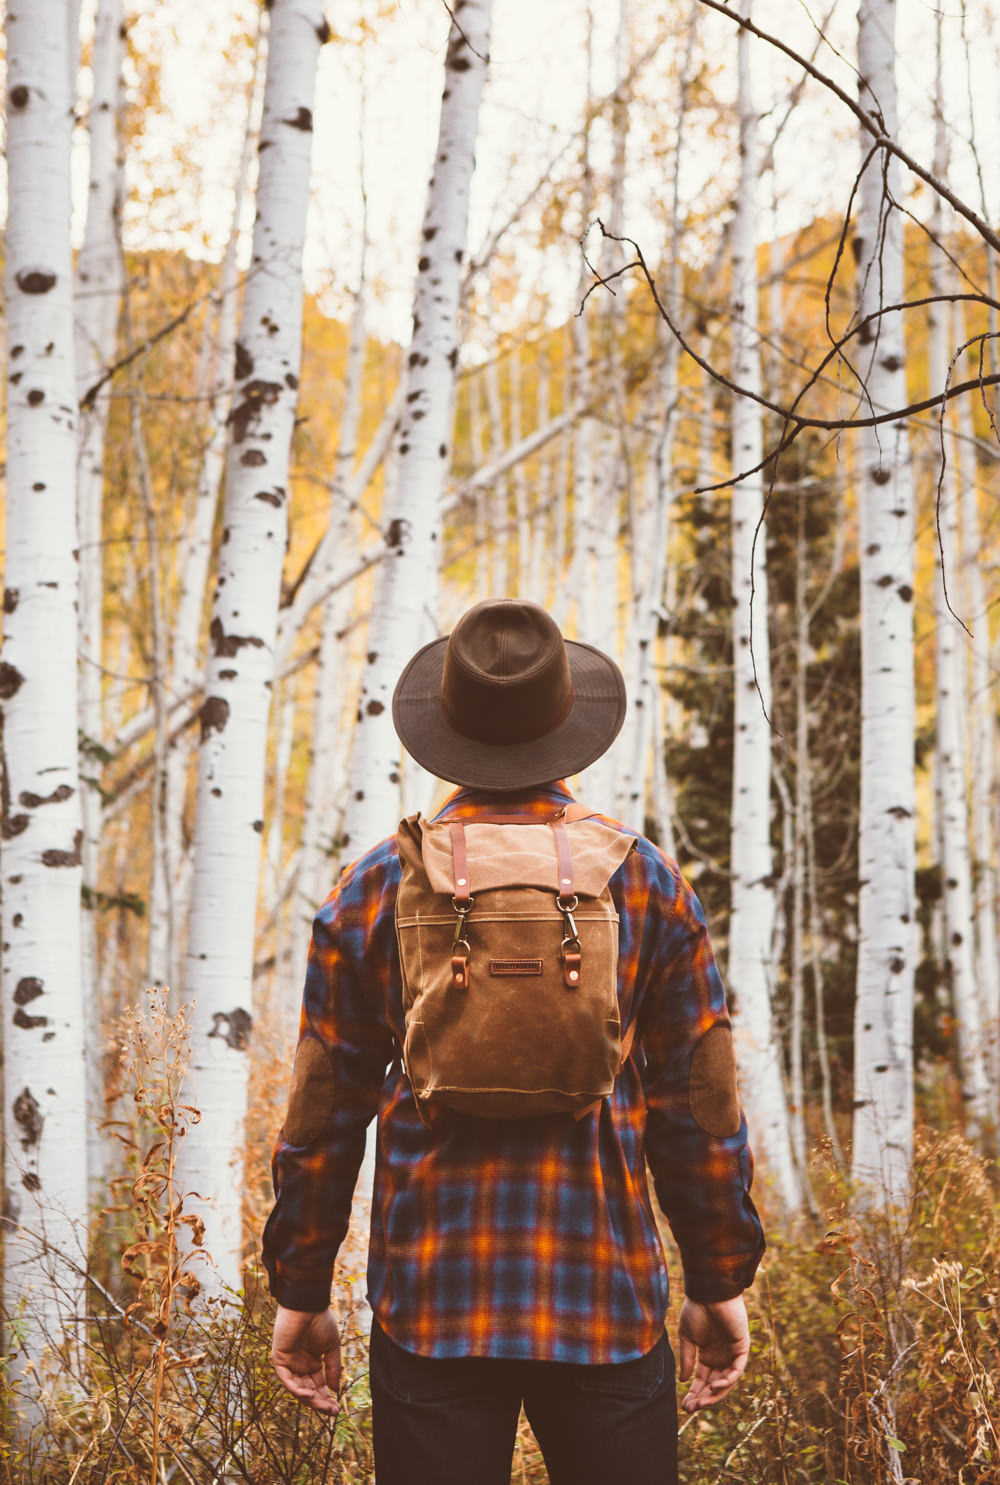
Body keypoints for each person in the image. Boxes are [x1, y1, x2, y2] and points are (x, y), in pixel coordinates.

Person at [262, 598, 765, 1485]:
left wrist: (302, 1290)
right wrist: (718, 1277)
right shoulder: (642, 879)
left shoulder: (379, 882)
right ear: (566, 724)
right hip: (604, 1294)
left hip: (432, 1300)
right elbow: (701, 1103)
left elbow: (321, 1108)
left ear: (447, 727)